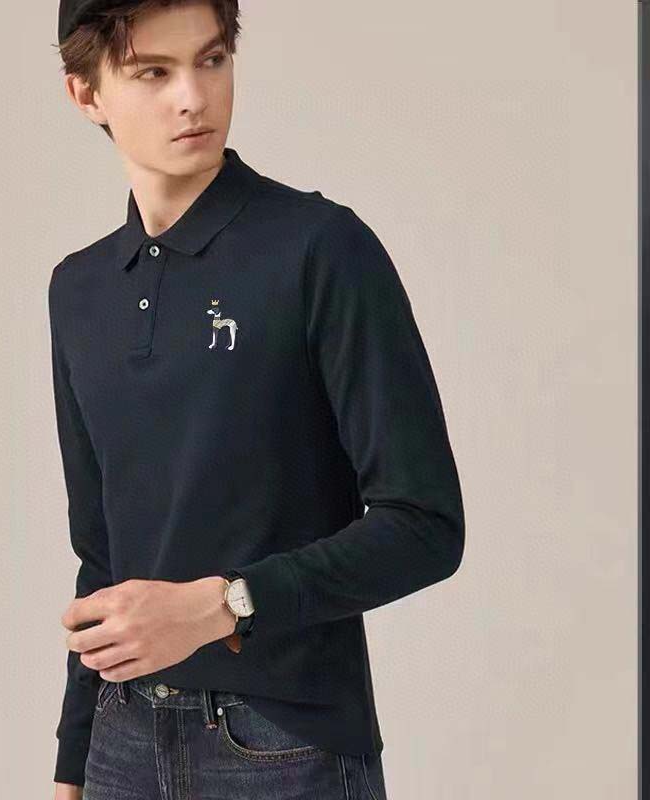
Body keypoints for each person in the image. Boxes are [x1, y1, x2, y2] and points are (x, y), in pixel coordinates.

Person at [49, 1, 465, 798]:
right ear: (86, 93)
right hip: (121, 746)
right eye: (153, 73)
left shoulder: (321, 249)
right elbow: (100, 554)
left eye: (211, 60)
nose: (193, 98)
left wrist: (226, 604)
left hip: (283, 747)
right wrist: (76, 759)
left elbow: (426, 525)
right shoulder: (78, 290)